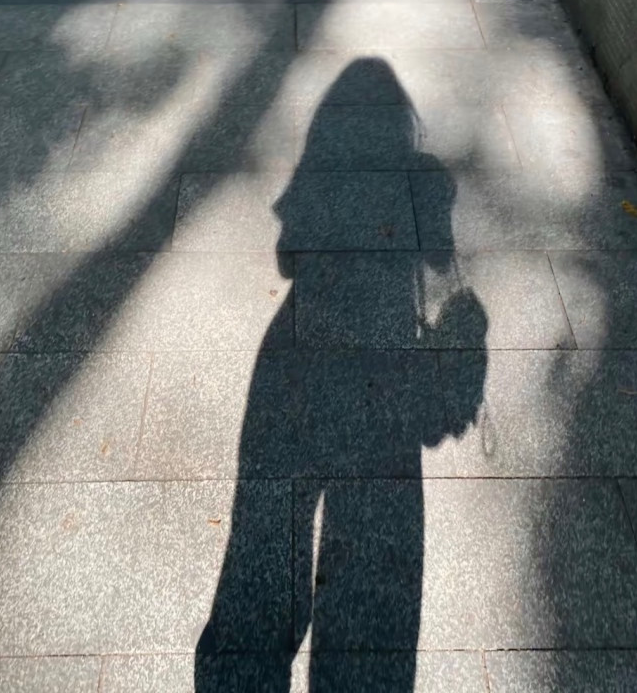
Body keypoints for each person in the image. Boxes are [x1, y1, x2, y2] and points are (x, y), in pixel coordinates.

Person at [196, 58, 487, 692]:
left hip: (291, 359)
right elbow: (440, 262)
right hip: (380, 365)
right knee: (369, 559)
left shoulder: (315, 174)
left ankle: (246, 655)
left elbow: (287, 258)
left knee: (264, 534)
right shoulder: (422, 180)